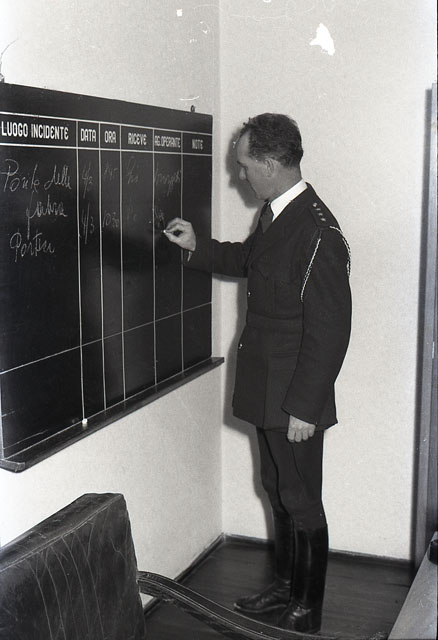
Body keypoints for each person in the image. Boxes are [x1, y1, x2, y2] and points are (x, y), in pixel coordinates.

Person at [164, 113, 351, 634]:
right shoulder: (276, 214)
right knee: (276, 487)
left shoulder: (318, 233)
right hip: (269, 387)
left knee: (302, 499)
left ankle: (306, 610)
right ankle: (284, 588)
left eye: (245, 166)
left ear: (270, 164)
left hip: (294, 398)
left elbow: (331, 331)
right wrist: (197, 245)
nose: (240, 175)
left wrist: (305, 408)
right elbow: (250, 260)